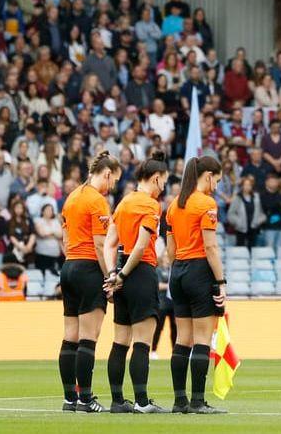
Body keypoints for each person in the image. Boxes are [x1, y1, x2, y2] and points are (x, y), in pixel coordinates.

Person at [100, 153, 170, 413]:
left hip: (120, 272)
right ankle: (141, 401)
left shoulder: (123, 202)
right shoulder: (151, 205)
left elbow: (110, 243)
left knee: (120, 341)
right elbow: (141, 246)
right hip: (138, 273)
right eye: (163, 181)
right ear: (155, 178)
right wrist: (124, 275)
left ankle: (118, 401)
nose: (164, 186)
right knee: (142, 341)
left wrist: (112, 274)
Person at [58, 154, 121, 413]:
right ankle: (85, 398)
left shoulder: (72, 197)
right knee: (88, 337)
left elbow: (64, 236)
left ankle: (69, 398)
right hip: (88, 269)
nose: (112, 186)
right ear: (106, 174)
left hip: (69, 266)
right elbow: (99, 244)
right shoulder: (97, 201)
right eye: (113, 180)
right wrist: (110, 277)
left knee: (70, 336)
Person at [165, 155, 228, 412]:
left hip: (178, 271)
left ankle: (180, 400)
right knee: (202, 338)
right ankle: (198, 401)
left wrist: (178, 270)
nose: (216, 186)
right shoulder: (206, 204)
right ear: (208, 175)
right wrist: (220, 281)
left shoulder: (174, 204)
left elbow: (170, 249)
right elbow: (211, 247)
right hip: (199, 269)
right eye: (217, 180)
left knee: (183, 339)